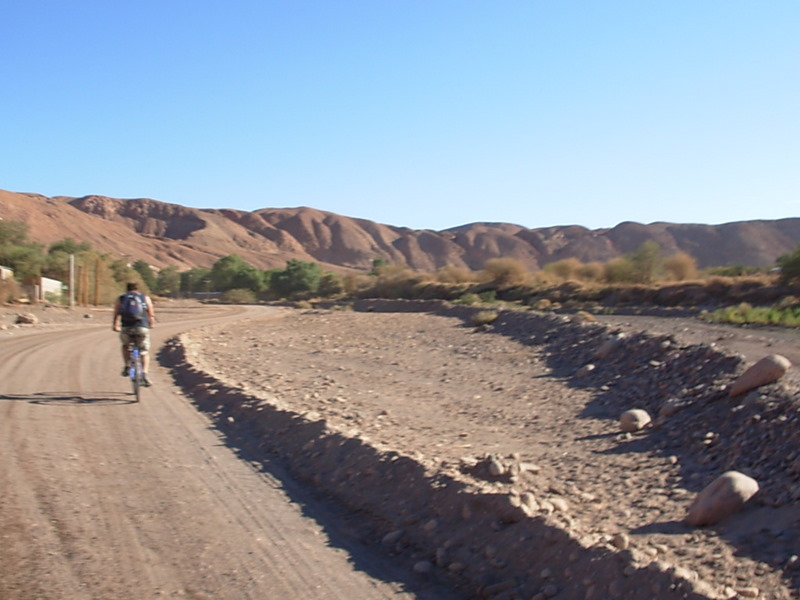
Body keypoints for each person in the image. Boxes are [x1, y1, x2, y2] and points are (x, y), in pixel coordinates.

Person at [112, 282, 156, 386]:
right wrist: (151, 324)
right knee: (144, 352)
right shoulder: (145, 297)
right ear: (138, 289)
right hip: (141, 327)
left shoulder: (122, 298)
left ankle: (127, 366)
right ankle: (144, 374)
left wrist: (115, 325)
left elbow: (116, 313)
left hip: (126, 327)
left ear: (127, 289)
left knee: (125, 346)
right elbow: (151, 313)